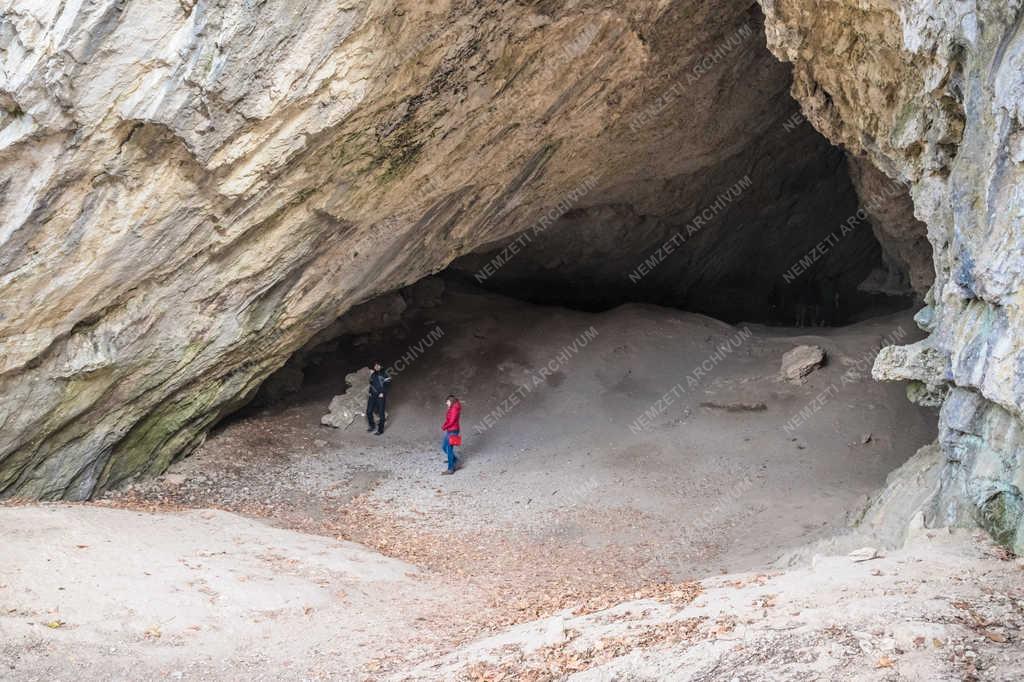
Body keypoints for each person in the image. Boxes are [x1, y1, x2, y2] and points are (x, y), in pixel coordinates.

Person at [366, 362, 391, 435]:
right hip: (372, 395)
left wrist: (382, 393)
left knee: (381, 413)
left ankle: (380, 430)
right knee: (368, 411)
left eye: (378, 365)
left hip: (380, 396)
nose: (376, 366)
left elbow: (387, 385)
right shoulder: (373, 374)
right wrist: (370, 392)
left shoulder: (385, 374)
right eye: (375, 365)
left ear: (381, 366)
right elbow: (371, 384)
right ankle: (372, 426)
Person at [440, 394, 461, 475]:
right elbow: (448, 419)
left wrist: (444, 427)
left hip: (453, 430)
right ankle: (454, 460)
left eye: (447, 401)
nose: (446, 403)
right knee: (444, 447)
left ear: (451, 401)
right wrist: (445, 425)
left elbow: (452, 421)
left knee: (449, 449)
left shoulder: (454, 409)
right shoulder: (452, 408)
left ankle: (450, 469)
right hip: (450, 430)